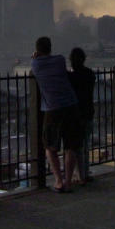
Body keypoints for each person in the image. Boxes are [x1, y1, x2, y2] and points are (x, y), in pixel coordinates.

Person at [30, 37, 81, 192]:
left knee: (50, 146)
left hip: (52, 108)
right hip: (71, 105)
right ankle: (69, 181)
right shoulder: (60, 60)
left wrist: (35, 57)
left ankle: (58, 181)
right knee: (70, 145)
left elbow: (34, 70)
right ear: (50, 48)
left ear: (37, 50)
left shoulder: (35, 64)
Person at [68, 47, 96, 185]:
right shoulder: (90, 74)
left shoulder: (71, 77)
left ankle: (81, 176)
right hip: (89, 112)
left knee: (77, 147)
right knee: (86, 145)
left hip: (76, 115)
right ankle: (85, 173)